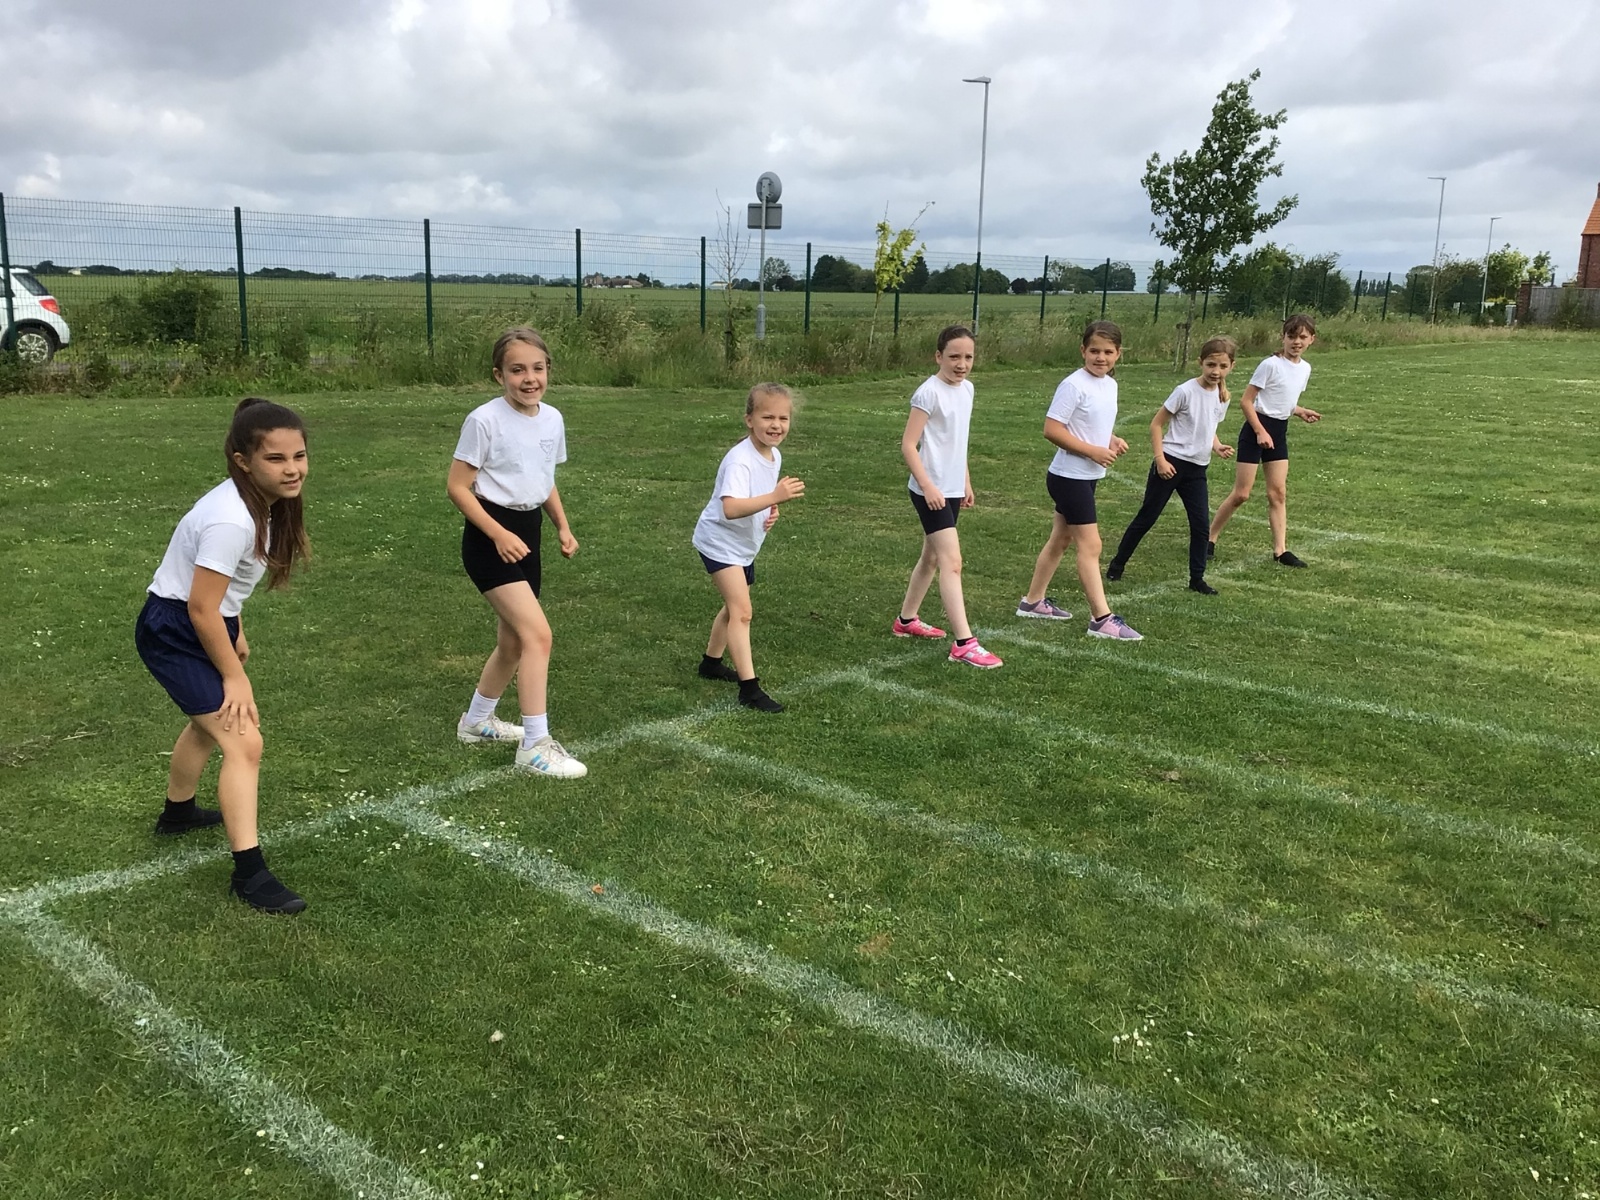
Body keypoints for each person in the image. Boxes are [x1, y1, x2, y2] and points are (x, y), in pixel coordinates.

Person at [134, 398, 312, 915]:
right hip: (175, 629)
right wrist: (235, 677)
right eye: (276, 458)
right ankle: (249, 875)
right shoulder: (232, 518)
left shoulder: (259, 503)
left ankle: (178, 814)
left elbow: (219, 592)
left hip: (205, 619)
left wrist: (235, 628)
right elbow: (198, 606)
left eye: (299, 455)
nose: (292, 469)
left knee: (206, 724)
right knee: (243, 740)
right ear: (243, 461)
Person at [448, 327, 586, 778]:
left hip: (529, 534)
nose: (529, 378)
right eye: (517, 370)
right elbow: (457, 487)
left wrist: (562, 525)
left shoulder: (553, 419)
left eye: (538, 368)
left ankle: (476, 722)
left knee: (512, 642)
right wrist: (497, 534)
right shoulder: (484, 421)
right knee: (537, 636)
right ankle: (535, 745)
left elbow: (543, 479)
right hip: (490, 539)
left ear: (549, 371)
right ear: (499, 375)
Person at [1016, 319, 1142, 640]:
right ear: (1083, 350)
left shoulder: (1109, 385)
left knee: (1061, 539)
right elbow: (1052, 429)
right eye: (1094, 351)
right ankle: (1102, 618)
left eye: (1108, 352)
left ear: (1118, 354)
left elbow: (1088, 424)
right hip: (1068, 477)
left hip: (1085, 476)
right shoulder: (1073, 385)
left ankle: (1032, 602)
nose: (1101, 357)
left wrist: (1110, 439)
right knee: (1091, 545)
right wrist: (1092, 451)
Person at [692, 383, 805, 712]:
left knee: (733, 608)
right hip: (719, 542)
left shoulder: (773, 454)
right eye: (767, 417)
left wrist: (772, 507)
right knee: (742, 611)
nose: (776, 425)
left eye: (783, 418)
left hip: (743, 544)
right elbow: (730, 507)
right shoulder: (739, 461)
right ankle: (749, 690)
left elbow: (758, 495)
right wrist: (774, 497)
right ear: (749, 420)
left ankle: (711, 664)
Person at [893, 324, 1002, 668]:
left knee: (931, 558)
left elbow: (957, 440)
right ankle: (964, 643)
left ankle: (906, 620)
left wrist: (965, 481)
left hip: (951, 489)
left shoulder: (967, 389)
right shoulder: (928, 393)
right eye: (954, 356)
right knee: (952, 562)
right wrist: (928, 486)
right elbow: (908, 445)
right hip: (930, 491)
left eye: (968, 357)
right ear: (938, 356)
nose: (961, 364)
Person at [1106, 337, 1237, 594]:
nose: (1216, 371)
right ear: (1200, 363)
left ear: (1232, 366)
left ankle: (1197, 578)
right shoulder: (1185, 391)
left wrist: (1217, 445)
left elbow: (1208, 427)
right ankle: (1117, 565)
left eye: (1222, 366)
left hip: (1197, 470)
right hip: (1170, 464)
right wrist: (1160, 460)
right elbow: (1156, 424)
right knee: (1147, 517)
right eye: (1211, 365)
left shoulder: (1223, 396)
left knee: (1201, 525)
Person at [1207, 313, 1322, 567]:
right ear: (1283, 337)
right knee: (1241, 494)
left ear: (1311, 339)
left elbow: (1283, 401)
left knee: (1278, 493)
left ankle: (1280, 550)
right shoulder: (1270, 365)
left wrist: (1299, 411)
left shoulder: (1305, 368)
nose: (1296, 342)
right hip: (1255, 431)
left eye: (1302, 337)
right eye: (1291, 336)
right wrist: (1260, 431)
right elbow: (1246, 402)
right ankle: (1210, 538)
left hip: (1278, 432)